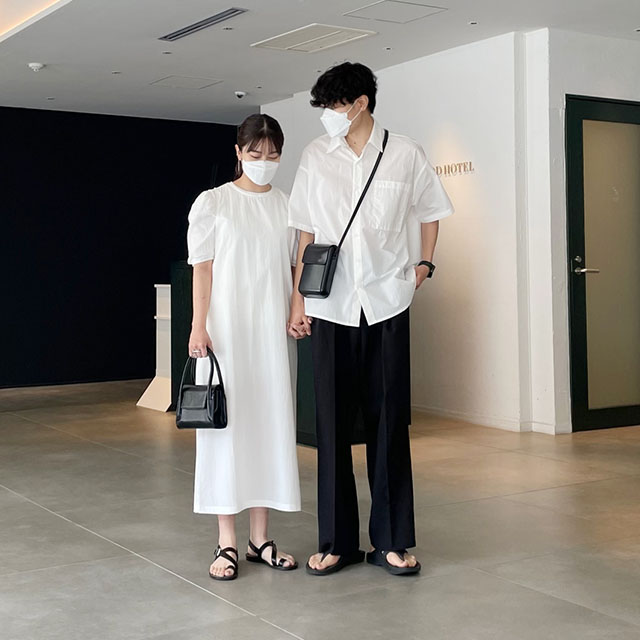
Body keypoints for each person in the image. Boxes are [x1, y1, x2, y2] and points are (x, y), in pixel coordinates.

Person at [288, 62, 453, 576]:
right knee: (331, 425)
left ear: (360, 103)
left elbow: (432, 210)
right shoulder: (315, 156)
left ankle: (392, 542)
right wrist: (297, 300)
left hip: (386, 304)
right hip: (330, 306)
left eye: (333, 106)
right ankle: (336, 542)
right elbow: (305, 232)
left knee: (389, 425)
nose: (327, 115)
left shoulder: (404, 152)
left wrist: (423, 266)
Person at [187, 113, 301, 581]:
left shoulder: (287, 206)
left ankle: (260, 540)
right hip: (226, 334)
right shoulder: (214, 202)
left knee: (267, 426)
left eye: (273, 155)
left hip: (270, 334)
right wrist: (198, 326)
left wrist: (296, 308)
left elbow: (295, 266)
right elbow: (203, 268)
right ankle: (227, 542)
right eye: (255, 153)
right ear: (238, 152)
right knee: (226, 429)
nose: (264, 161)